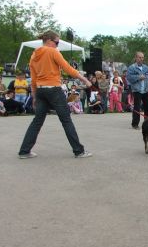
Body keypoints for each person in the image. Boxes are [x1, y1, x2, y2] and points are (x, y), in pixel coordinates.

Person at [18, 30, 92, 159]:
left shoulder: (34, 54)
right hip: (54, 89)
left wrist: (35, 96)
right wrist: (84, 80)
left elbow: (34, 78)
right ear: (49, 41)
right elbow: (68, 69)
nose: (57, 45)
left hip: (41, 90)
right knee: (66, 120)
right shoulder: (53, 52)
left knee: (37, 121)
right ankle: (79, 151)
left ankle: (24, 151)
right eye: (56, 42)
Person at [126, 51, 148, 129]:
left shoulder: (146, 67)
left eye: (142, 57)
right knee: (137, 108)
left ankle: (147, 123)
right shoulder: (132, 68)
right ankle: (135, 124)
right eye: (140, 57)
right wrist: (138, 77)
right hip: (137, 91)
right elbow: (129, 78)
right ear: (136, 58)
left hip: (145, 90)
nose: (141, 59)